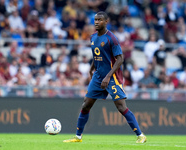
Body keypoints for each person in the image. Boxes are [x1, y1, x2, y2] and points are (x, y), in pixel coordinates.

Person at [63, 11, 147, 144]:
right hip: (98, 75)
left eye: (100, 20)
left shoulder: (111, 38)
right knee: (86, 104)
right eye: (95, 20)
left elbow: (120, 59)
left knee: (121, 106)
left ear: (106, 22)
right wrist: (92, 67)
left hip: (112, 76)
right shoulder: (93, 37)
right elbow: (97, 55)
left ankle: (140, 135)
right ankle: (78, 137)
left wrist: (108, 76)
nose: (96, 22)